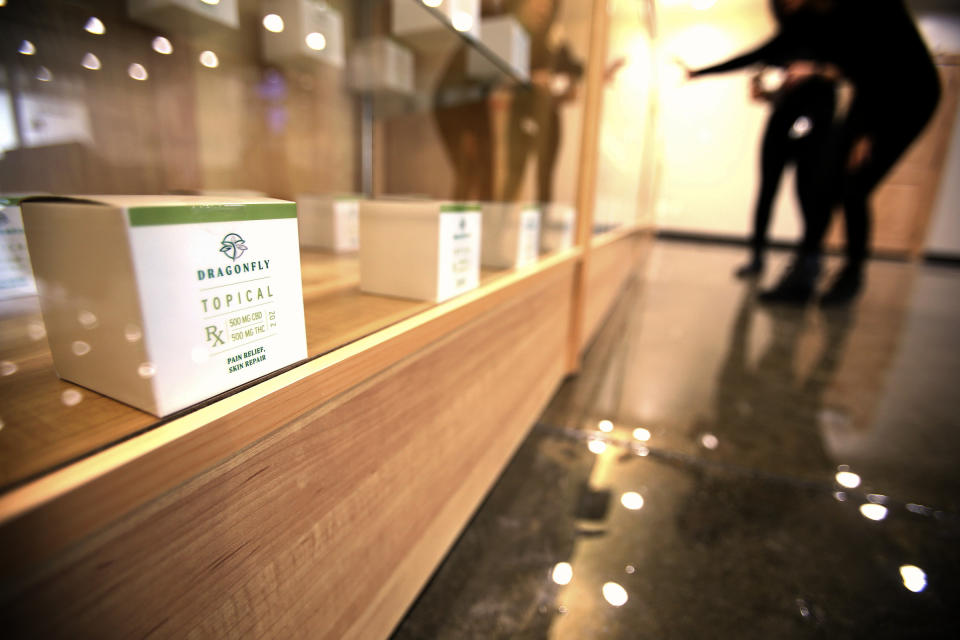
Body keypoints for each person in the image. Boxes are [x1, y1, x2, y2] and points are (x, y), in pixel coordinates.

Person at [763, 0, 941, 303]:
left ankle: (850, 277)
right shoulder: (817, 19)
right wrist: (699, 72)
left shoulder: (866, 9)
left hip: (909, 97)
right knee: (823, 184)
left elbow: (884, 65)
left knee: (854, 188)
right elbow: (769, 51)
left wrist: (868, 132)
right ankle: (805, 270)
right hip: (868, 93)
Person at [686, 0, 839, 279]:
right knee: (767, 191)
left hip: (816, 124)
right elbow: (746, 59)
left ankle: (810, 257)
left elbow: (850, 68)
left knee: (809, 193)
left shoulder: (828, 34)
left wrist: (813, 70)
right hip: (781, 122)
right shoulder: (784, 40)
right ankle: (757, 258)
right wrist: (698, 72)